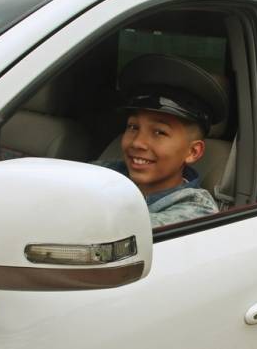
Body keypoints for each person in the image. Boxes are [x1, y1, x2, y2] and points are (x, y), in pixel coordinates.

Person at [93, 54, 228, 228]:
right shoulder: (108, 171)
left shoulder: (195, 211)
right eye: (133, 127)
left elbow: (117, 231)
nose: (137, 143)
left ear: (192, 152)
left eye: (159, 132)